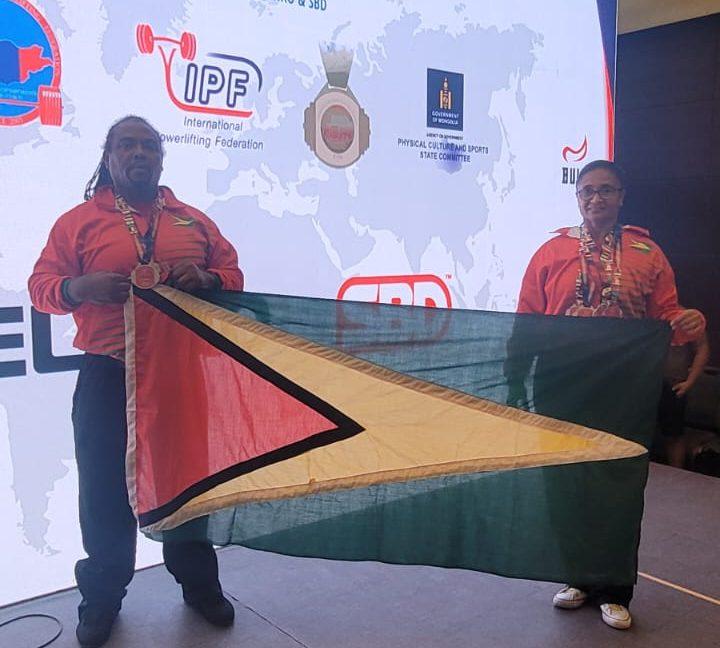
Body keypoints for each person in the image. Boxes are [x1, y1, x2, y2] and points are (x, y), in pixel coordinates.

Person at [28, 115, 244, 647]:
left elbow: (234, 275)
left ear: (162, 159)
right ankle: (101, 599)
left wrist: (210, 279)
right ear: (109, 157)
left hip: (181, 377)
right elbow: (41, 287)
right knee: (104, 494)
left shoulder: (192, 221)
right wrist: (79, 287)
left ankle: (199, 586)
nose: (139, 153)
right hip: (108, 376)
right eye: (127, 145)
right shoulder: (78, 222)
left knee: (188, 488)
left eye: (149, 145)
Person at [515, 159, 705, 630]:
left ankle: (615, 589)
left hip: (625, 385)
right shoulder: (550, 251)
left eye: (606, 190)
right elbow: (527, 319)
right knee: (566, 483)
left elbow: (667, 318)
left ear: (622, 196)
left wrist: (689, 322)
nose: (596, 198)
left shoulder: (648, 253)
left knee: (618, 486)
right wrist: (514, 377)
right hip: (562, 381)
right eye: (588, 191)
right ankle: (577, 577)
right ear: (577, 198)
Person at [657, 332, 710, 467]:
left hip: (674, 384)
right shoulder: (639, 313)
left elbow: (702, 348)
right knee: (638, 432)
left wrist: (690, 381)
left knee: (674, 435)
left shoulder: (686, 316)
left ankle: (676, 477)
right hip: (643, 383)